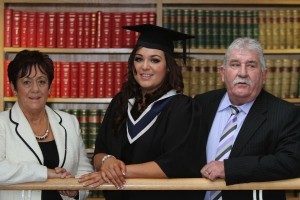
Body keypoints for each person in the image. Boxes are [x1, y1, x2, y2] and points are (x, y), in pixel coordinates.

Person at [78, 24, 204, 200]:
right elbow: (100, 152)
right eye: (139, 59)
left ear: (168, 67)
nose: (145, 67)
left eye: (154, 60)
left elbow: (176, 164)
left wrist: (118, 171)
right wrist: (107, 161)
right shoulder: (120, 102)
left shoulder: (182, 108)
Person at [194, 37, 300, 200]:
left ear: (264, 75)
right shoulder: (201, 104)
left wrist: (228, 169)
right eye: (235, 64)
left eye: (251, 65)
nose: (242, 73)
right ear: (223, 73)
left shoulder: (285, 113)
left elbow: (291, 162)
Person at [0, 50, 93, 200]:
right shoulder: (2, 123)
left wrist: (76, 190)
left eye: (42, 81)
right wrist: (45, 173)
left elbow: (84, 170)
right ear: (13, 87)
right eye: (26, 82)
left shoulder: (70, 123)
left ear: (49, 87)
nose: (35, 89)